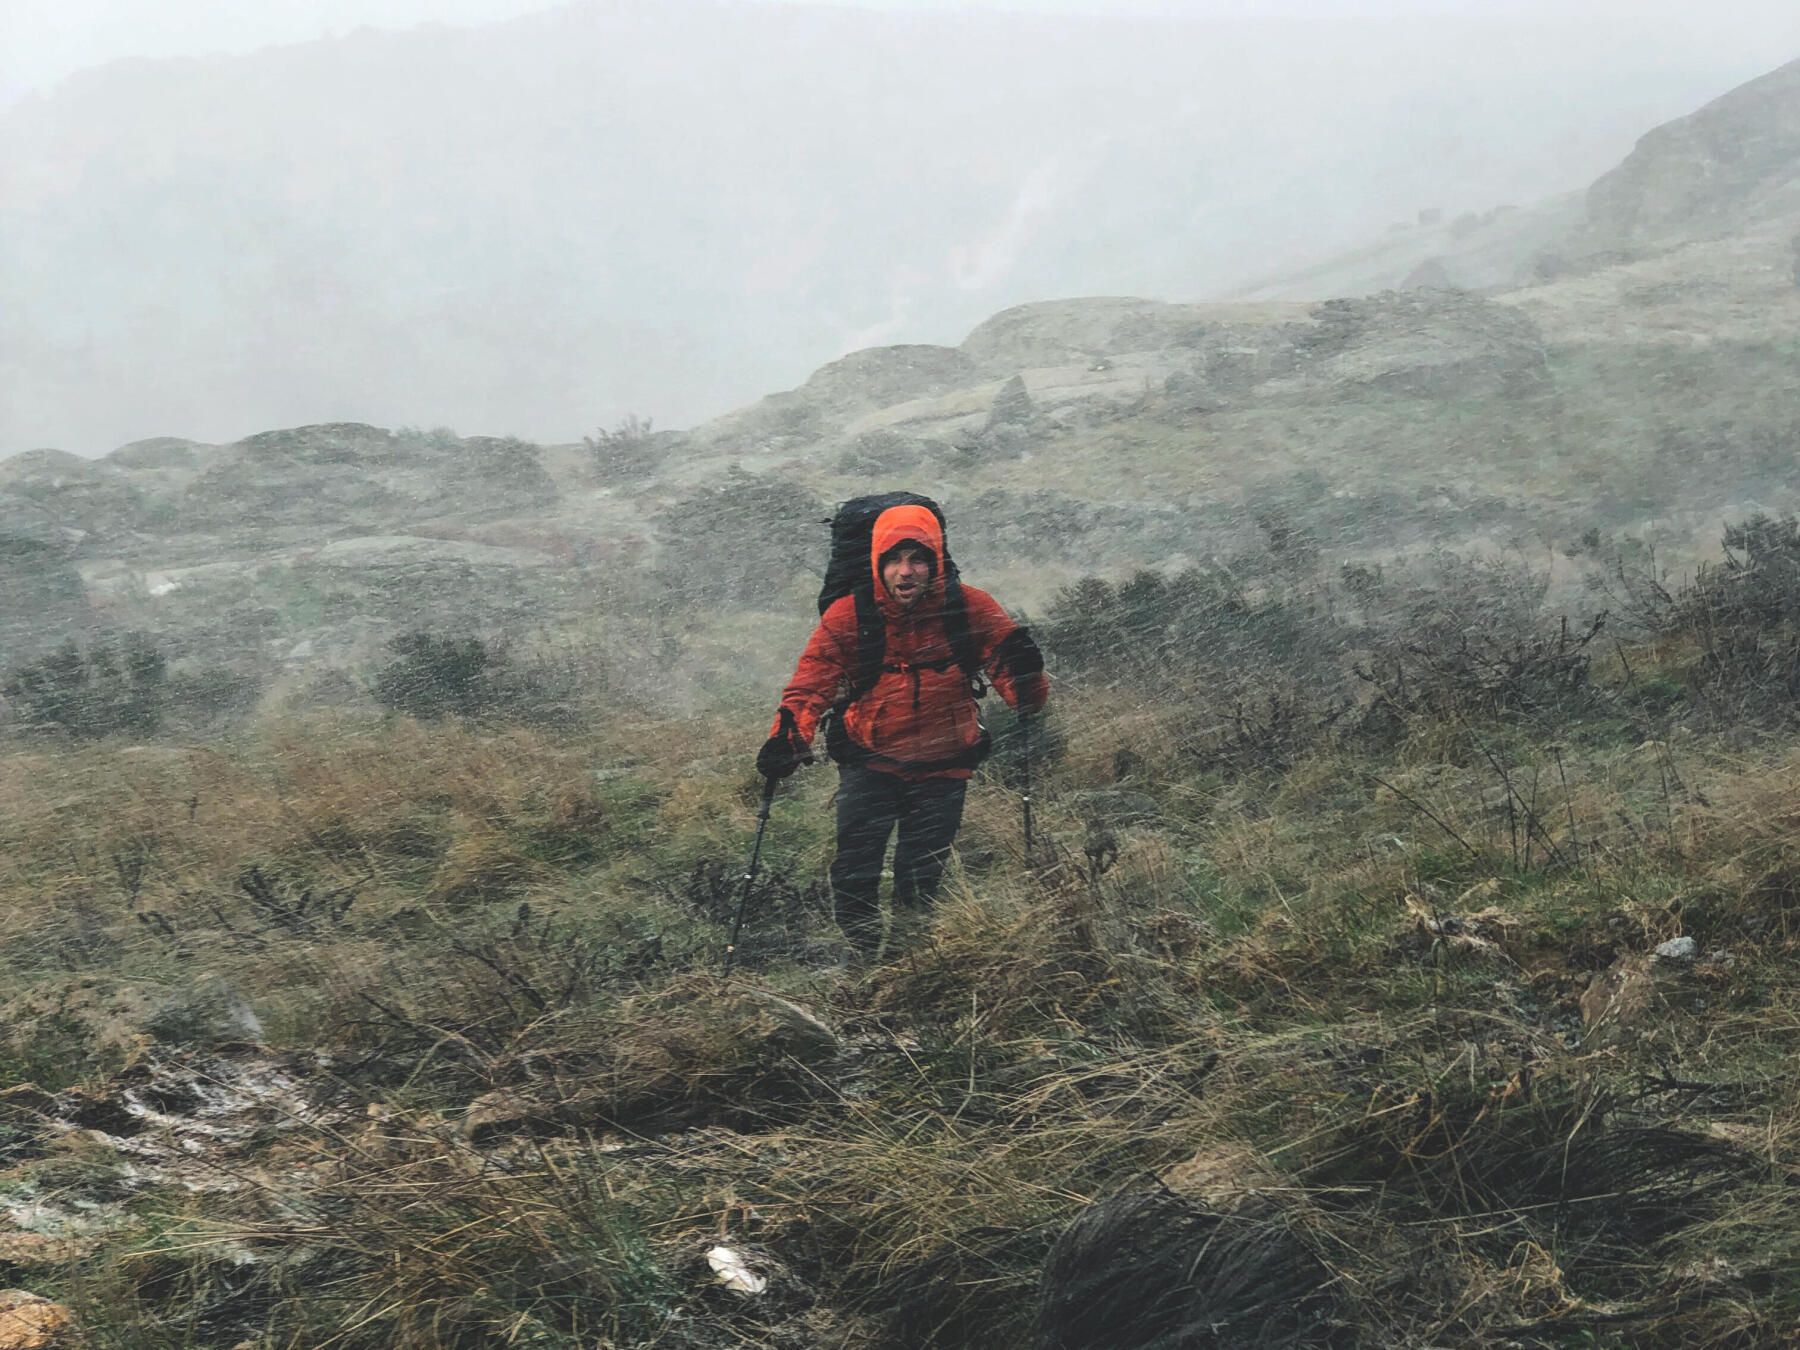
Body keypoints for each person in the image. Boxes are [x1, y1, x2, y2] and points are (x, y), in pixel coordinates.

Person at [757, 502, 1047, 956]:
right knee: (854, 872)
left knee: (921, 876)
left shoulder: (970, 608)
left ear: (936, 560)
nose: (905, 572)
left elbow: (1026, 699)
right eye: (893, 559)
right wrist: (787, 740)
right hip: (870, 760)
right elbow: (810, 686)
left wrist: (1028, 673)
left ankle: (906, 965)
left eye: (917, 559)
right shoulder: (849, 616)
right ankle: (864, 956)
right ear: (876, 563)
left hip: (945, 766)